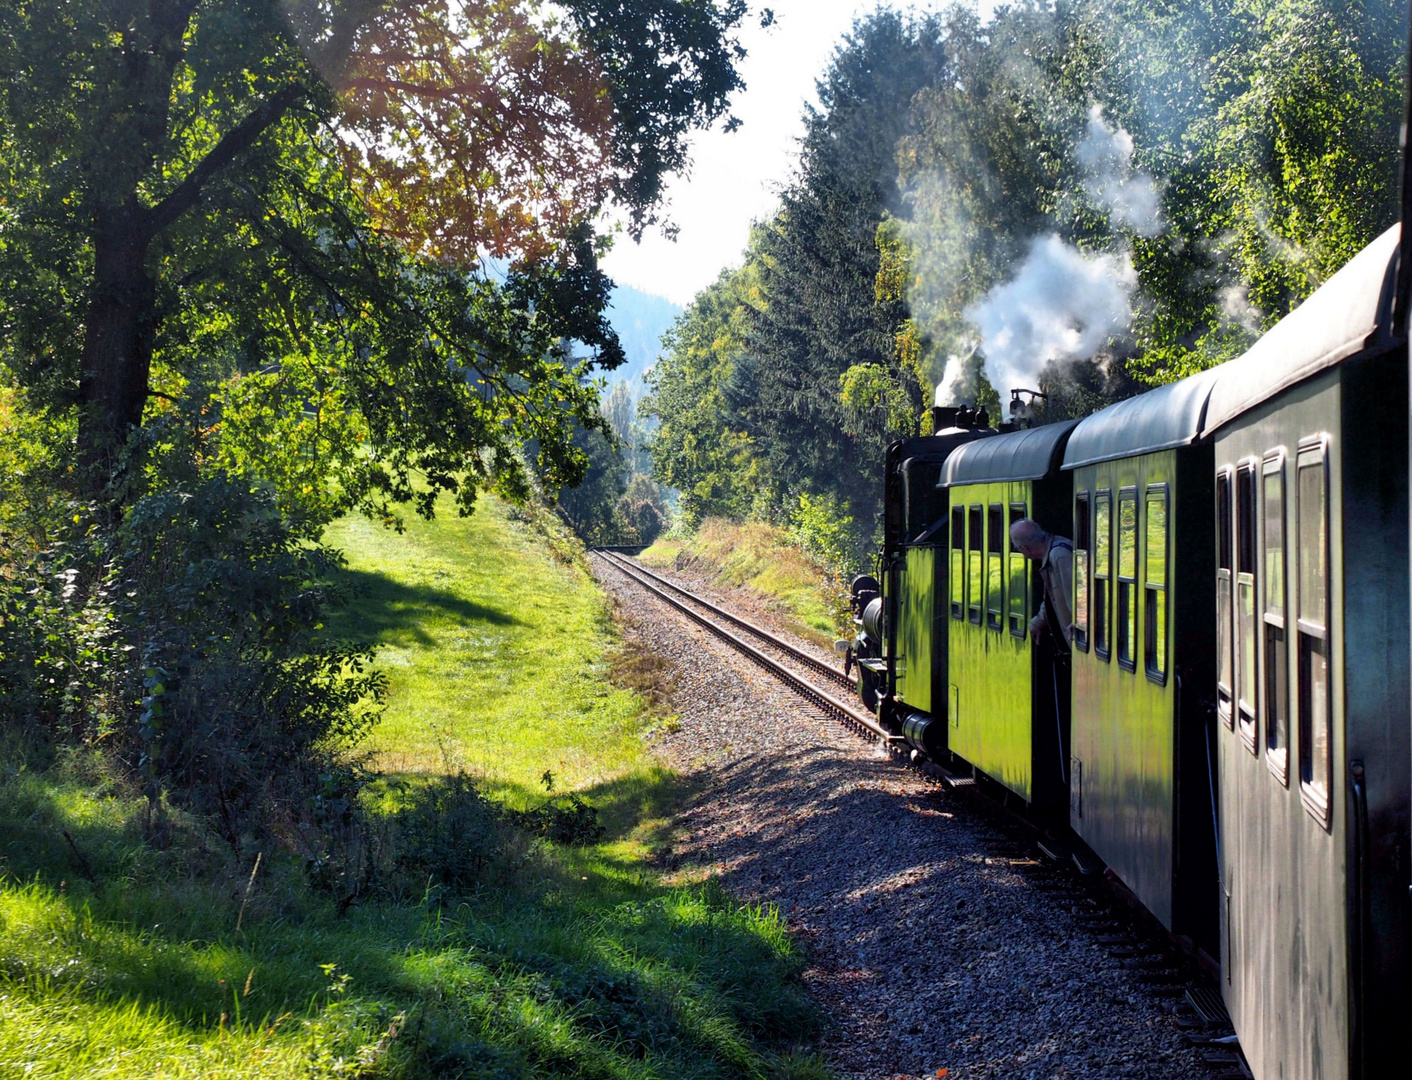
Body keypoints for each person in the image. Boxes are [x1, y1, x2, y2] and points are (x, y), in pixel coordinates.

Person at [1009, 518, 1074, 647]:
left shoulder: (1059, 556)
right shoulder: (1052, 553)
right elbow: (1054, 596)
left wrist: (1081, 621)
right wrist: (1038, 621)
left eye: (1018, 549)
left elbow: (1078, 594)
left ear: (1025, 549)